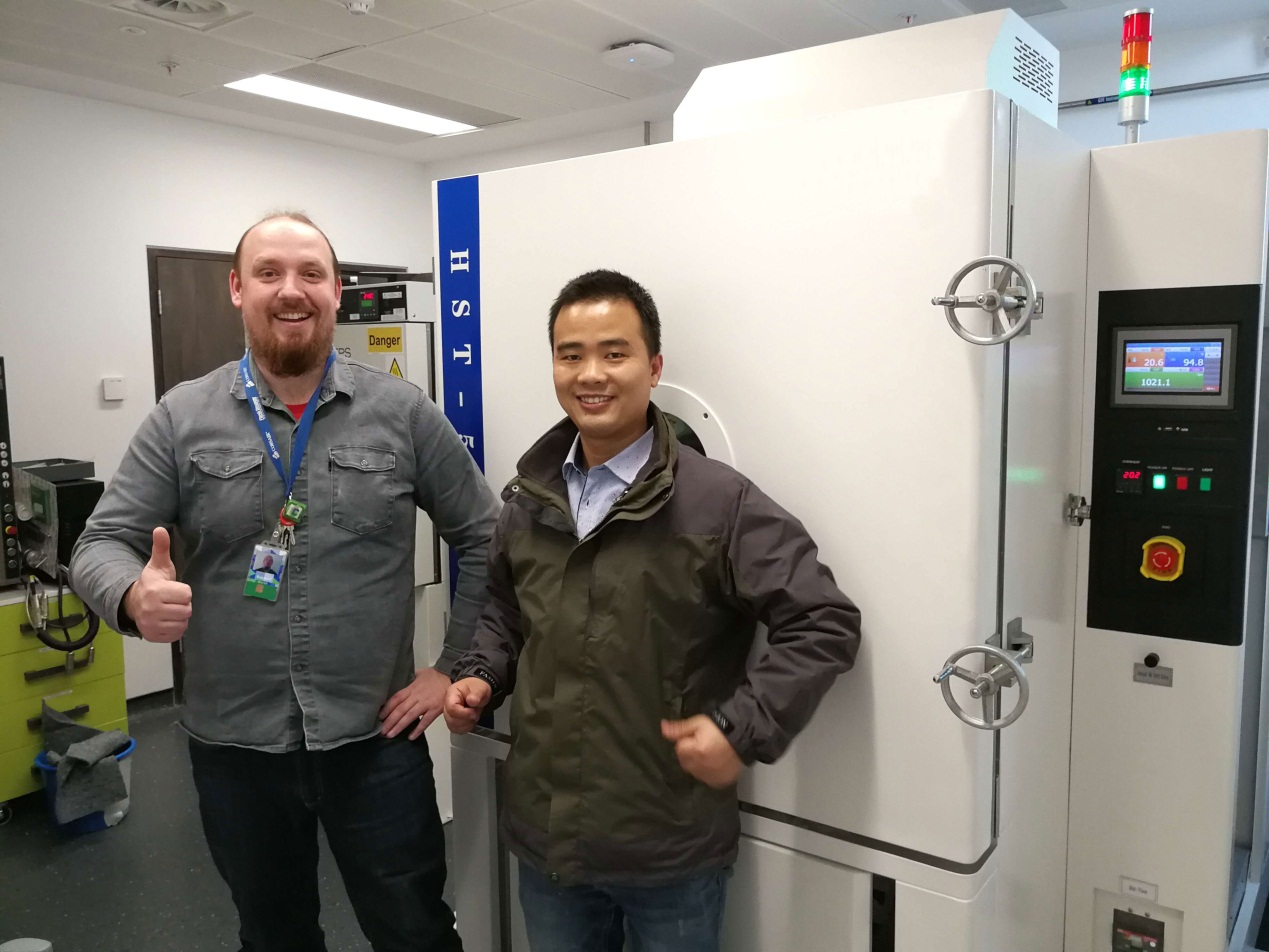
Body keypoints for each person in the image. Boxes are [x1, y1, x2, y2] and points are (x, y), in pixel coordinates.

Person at [70, 212, 499, 952]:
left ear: (336, 291)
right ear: (238, 289)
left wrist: (449, 666)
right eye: (268, 272)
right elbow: (99, 542)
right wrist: (132, 597)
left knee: (415, 931)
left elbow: (487, 536)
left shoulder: (401, 412)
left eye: (310, 273)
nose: (290, 290)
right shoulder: (181, 417)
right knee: (274, 935)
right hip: (236, 745)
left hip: (375, 737)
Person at [443, 269, 862, 952]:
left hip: (669, 847)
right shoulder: (530, 497)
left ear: (653, 367)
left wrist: (740, 729)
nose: (591, 374)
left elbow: (823, 620)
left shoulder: (718, 504)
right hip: (547, 837)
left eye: (615, 353)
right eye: (571, 355)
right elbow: (506, 611)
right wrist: (481, 673)